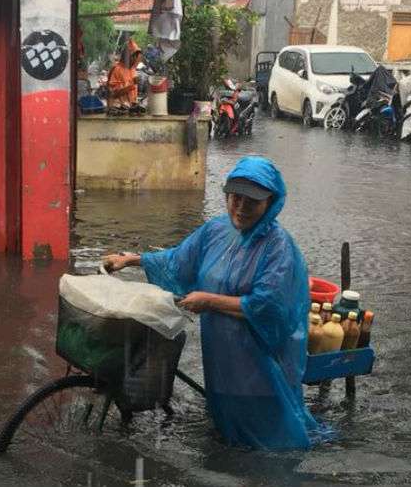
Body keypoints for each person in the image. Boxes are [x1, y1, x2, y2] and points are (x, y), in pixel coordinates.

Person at [103, 156, 329, 450]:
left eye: (252, 202)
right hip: (222, 355)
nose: (241, 208)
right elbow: (178, 260)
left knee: (268, 446)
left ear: (271, 202)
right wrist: (131, 259)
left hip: (258, 363)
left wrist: (209, 301)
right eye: (236, 198)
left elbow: (269, 307)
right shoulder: (216, 231)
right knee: (226, 430)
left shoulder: (278, 249)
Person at [107, 39, 142, 115]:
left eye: (136, 56)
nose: (135, 59)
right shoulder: (116, 69)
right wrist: (132, 85)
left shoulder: (132, 69)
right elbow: (112, 94)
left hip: (130, 110)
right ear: (126, 56)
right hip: (117, 111)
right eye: (133, 56)